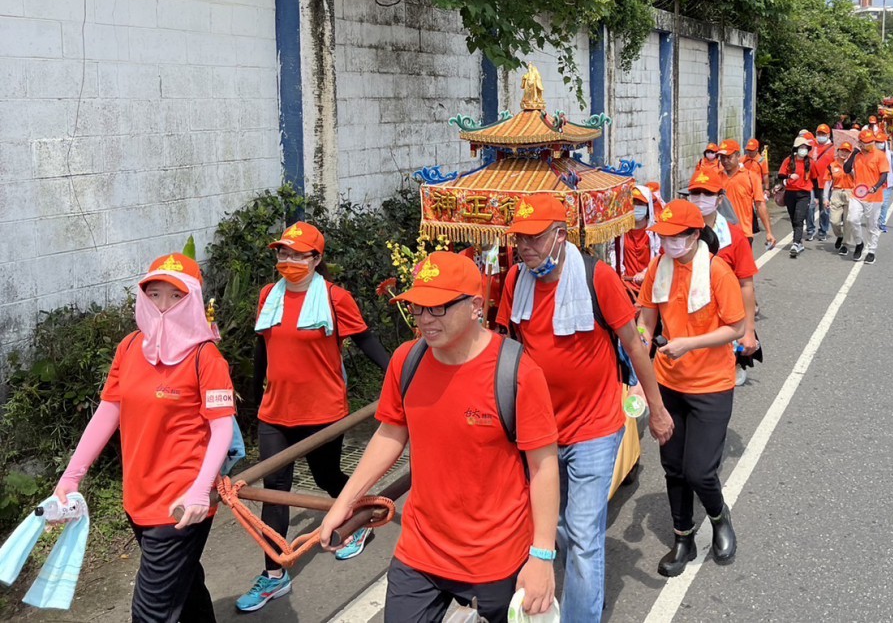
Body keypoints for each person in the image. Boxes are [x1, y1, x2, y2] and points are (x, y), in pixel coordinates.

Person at [320, 252, 559, 623]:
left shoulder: (516, 372)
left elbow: (544, 467)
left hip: (496, 554)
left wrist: (542, 556)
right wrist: (344, 503)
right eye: (417, 308)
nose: (425, 320)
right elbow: (389, 434)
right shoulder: (406, 360)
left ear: (476, 305)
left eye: (439, 308)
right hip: (422, 548)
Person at [495, 193, 673, 623]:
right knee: (552, 527)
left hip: (595, 426)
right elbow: (503, 349)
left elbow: (633, 343)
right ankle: (578, 592)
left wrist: (658, 407)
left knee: (584, 535)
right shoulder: (515, 282)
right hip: (540, 432)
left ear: (560, 236)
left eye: (535, 238)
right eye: (520, 239)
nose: (525, 248)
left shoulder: (597, 277)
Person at [54, 254, 235, 623]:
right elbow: (108, 411)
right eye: (154, 294)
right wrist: (71, 477)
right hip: (138, 495)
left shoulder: (206, 357)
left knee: (151, 613)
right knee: (185, 586)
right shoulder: (130, 347)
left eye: (175, 296)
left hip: (181, 504)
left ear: (194, 301)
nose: (163, 306)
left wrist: (200, 490)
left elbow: (222, 428)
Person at [237, 222, 392, 612]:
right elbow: (262, 349)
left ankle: (357, 520)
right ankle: (275, 574)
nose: (286, 261)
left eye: (296, 254)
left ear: (316, 259)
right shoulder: (268, 296)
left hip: (323, 411)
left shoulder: (336, 299)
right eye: (281, 253)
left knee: (326, 477)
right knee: (277, 489)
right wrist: (256, 402)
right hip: (275, 412)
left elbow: (366, 341)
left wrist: (400, 375)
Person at [637, 199, 746, 577]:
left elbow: (736, 328)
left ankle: (719, 516)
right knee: (673, 467)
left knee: (700, 471)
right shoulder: (657, 268)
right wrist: (639, 364)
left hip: (711, 384)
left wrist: (688, 343)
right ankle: (682, 537)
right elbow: (646, 320)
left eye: (674, 237)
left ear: (694, 235)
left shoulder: (717, 272)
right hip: (668, 381)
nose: (667, 244)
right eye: (662, 237)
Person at [685, 168, 760, 384]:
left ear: (719, 199)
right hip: (685, 319)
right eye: (695, 193)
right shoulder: (677, 235)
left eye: (707, 194)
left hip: (723, 320)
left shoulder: (734, 237)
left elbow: (746, 285)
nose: (700, 199)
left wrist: (748, 331)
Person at [841, 131, 889, 265]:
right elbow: (846, 169)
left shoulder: (880, 155)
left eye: (871, 141)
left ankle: (871, 251)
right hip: (857, 194)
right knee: (852, 219)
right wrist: (853, 154)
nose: (870, 144)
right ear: (860, 143)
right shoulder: (856, 155)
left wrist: (876, 186)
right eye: (866, 142)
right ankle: (859, 243)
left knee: (872, 225)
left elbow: (884, 174)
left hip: (874, 196)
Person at [716, 139, 775, 248]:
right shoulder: (715, 177)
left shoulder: (751, 177)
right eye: (722, 158)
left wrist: (768, 232)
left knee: (742, 265)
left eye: (729, 157)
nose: (725, 161)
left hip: (743, 233)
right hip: (720, 234)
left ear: (738, 156)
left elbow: (760, 204)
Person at [777, 136, 815, 257]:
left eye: (805, 148)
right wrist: (789, 177)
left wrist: (819, 197)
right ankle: (798, 241)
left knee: (799, 218)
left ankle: (796, 242)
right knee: (794, 218)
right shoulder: (788, 160)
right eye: (801, 147)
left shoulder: (810, 162)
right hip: (790, 193)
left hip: (804, 194)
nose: (803, 150)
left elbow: (816, 179)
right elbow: (780, 175)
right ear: (796, 148)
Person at [616, 185, 660, 286]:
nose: (636, 207)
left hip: (649, 285)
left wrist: (646, 273)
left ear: (648, 207)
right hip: (626, 285)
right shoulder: (621, 231)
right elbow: (614, 255)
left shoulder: (655, 232)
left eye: (640, 204)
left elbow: (660, 257)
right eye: (633, 203)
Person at [806, 124, 836, 241]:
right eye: (819, 134)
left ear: (828, 135)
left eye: (823, 134)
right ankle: (810, 230)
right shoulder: (810, 146)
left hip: (825, 182)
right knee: (810, 207)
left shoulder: (833, 148)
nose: (821, 136)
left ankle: (823, 230)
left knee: (824, 209)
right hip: (811, 181)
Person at [827, 141, 856, 252]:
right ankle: (840, 235)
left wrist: (851, 170)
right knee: (834, 221)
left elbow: (858, 179)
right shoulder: (831, 165)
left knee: (848, 220)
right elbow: (828, 182)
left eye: (847, 151)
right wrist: (825, 198)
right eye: (842, 150)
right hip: (836, 192)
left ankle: (846, 244)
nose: (844, 153)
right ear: (838, 151)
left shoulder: (853, 165)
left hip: (850, 192)